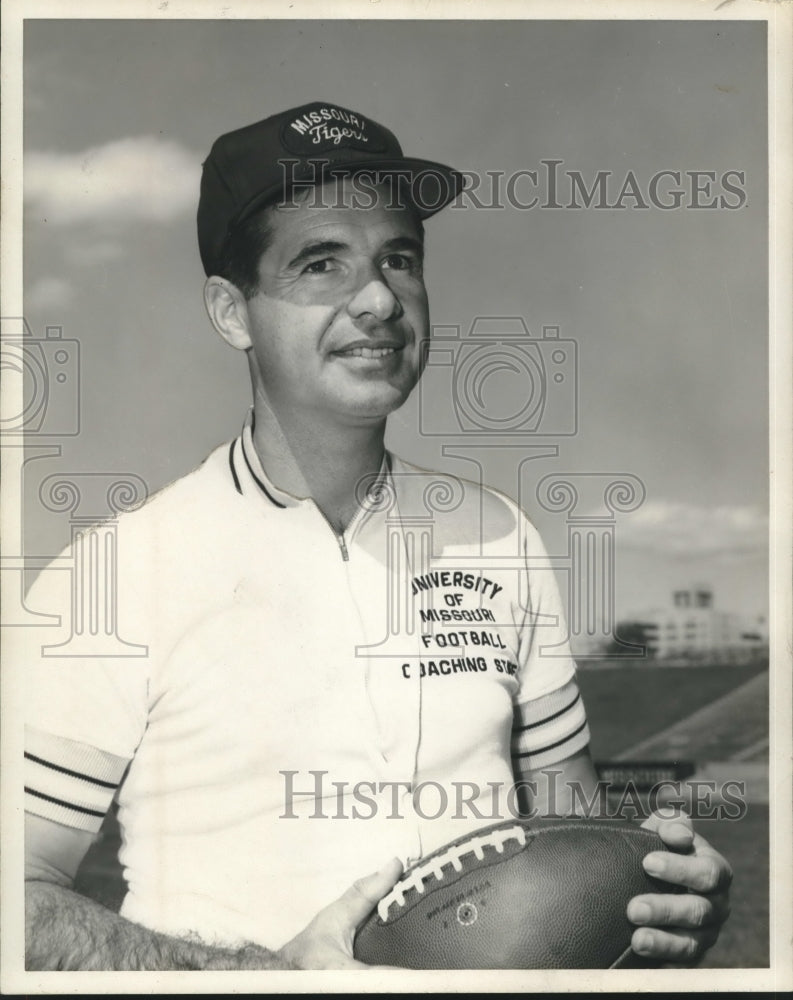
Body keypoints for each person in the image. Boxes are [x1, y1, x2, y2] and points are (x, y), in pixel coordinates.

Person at [23, 101, 731, 971]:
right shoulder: (115, 571)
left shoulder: (496, 534)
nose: (377, 299)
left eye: (398, 258)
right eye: (320, 264)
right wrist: (257, 978)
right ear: (231, 311)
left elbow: (571, 831)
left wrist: (656, 891)